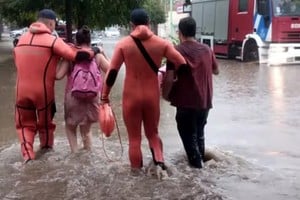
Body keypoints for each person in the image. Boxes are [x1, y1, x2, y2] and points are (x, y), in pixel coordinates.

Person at [101, 8, 186, 179]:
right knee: (153, 134)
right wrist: (175, 82)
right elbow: (182, 64)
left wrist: (104, 96)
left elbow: (112, 73)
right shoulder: (162, 43)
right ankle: (160, 166)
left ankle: (136, 177)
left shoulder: (124, 44)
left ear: (131, 25)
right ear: (148, 23)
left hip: (131, 97)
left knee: (134, 139)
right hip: (151, 96)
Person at [13, 9, 96, 164]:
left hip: (20, 91)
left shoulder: (20, 40)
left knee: (24, 125)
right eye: (54, 25)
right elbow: (76, 56)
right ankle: (45, 152)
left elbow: (17, 62)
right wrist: (94, 51)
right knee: (45, 125)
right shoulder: (52, 41)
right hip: (43, 92)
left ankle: (28, 157)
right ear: (51, 23)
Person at [166, 16, 219, 168]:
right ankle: (202, 169)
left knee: (189, 138)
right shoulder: (207, 50)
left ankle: (198, 175)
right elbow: (216, 71)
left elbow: (169, 79)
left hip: (186, 104)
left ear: (179, 33)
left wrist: (165, 95)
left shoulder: (175, 51)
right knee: (199, 135)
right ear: (194, 32)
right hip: (204, 103)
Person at [56, 26, 109, 153]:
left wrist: (60, 59)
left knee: (70, 127)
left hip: (73, 97)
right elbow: (111, 71)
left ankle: (75, 154)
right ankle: (88, 154)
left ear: (76, 41)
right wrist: (103, 53)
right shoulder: (97, 57)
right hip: (93, 96)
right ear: (90, 41)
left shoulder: (71, 56)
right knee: (86, 129)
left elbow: (58, 76)